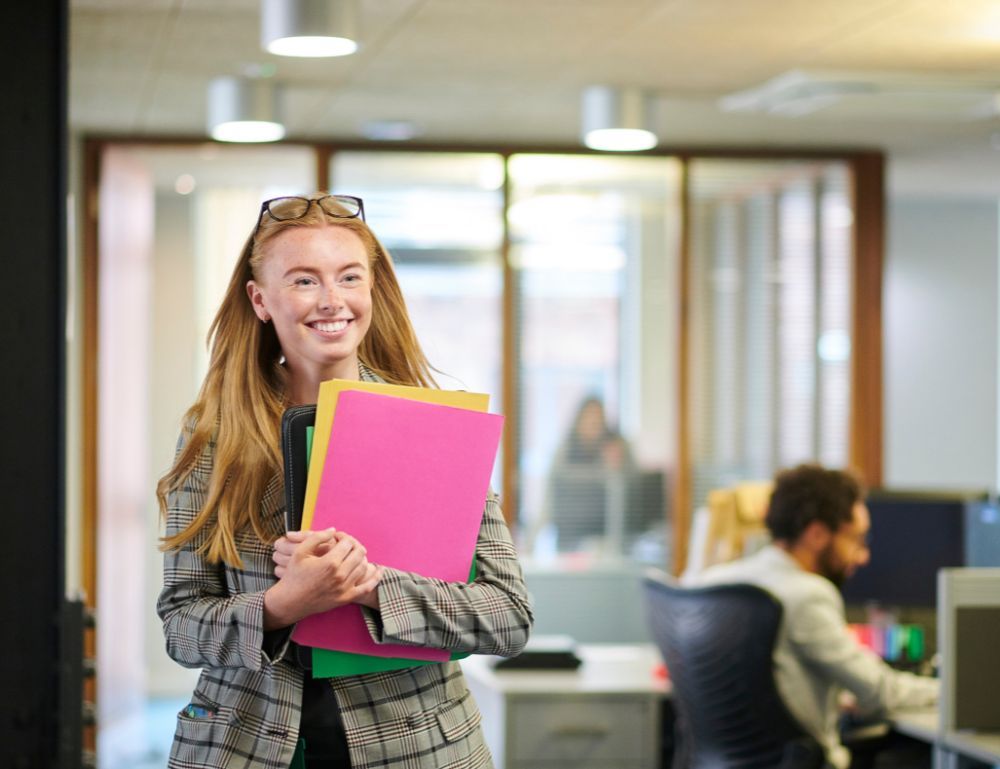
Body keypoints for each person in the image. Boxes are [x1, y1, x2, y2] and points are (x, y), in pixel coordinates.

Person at [156, 193, 533, 769]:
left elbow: (507, 617)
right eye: (304, 281)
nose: (332, 301)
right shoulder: (212, 436)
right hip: (244, 746)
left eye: (349, 277)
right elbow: (182, 628)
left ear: (372, 290)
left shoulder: (435, 427)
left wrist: (369, 585)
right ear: (261, 300)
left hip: (417, 746)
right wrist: (281, 606)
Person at [689, 463, 938, 769]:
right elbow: (880, 692)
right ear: (817, 534)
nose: (863, 556)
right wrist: (949, 691)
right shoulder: (808, 594)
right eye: (857, 540)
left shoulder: (713, 581)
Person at [539, 395, 637, 552]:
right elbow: (548, 497)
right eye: (589, 418)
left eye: (598, 419)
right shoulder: (565, 451)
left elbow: (632, 487)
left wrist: (616, 466)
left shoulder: (616, 446)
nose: (593, 424)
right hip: (569, 538)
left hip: (607, 537)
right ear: (578, 421)